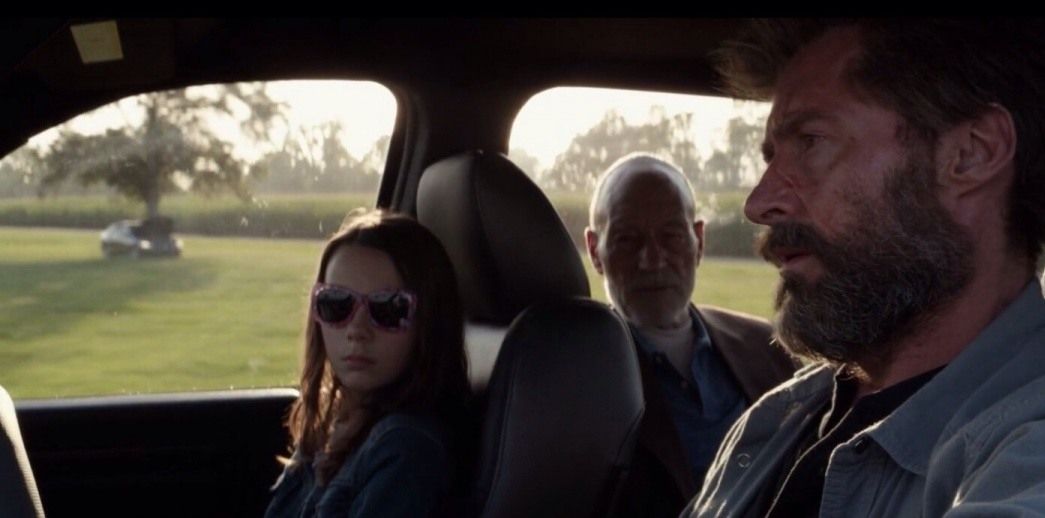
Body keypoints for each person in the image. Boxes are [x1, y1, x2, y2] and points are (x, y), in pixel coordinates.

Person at [686, 19, 1045, 517]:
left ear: (970, 154)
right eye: (771, 158)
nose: (758, 204)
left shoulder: (1027, 453)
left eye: (811, 142)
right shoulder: (779, 418)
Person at [584, 153, 797, 517]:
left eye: (670, 236)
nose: (652, 259)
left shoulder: (770, 346)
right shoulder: (580, 383)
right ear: (594, 251)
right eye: (627, 239)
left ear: (698, 240)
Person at [265, 209, 471, 518]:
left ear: (429, 322)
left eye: (389, 309)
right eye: (336, 303)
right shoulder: (335, 421)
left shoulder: (406, 448)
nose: (357, 330)